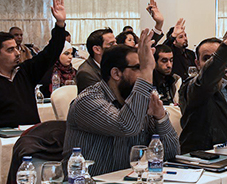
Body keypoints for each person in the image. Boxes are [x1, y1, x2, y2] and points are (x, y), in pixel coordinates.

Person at [64, 31, 179, 176]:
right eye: (138, 68)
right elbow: (126, 126)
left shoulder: (138, 99)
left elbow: (171, 153)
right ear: (116, 74)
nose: (147, 75)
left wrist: (160, 117)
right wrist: (146, 70)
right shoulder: (87, 101)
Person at [0, 0, 67, 128]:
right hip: (3, 138)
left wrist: (60, 25)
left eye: (16, 48)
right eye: (10, 50)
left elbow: (51, 53)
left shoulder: (26, 71)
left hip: (33, 136)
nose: (17, 53)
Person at [178, 17, 227, 153]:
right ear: (197, 63)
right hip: (203, 154)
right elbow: (208, 78)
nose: (211, 62)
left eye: (215, 57)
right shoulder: (192, 87)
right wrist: (226, 46)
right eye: (206, 58)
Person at [76, 28, 115, 92]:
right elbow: (95, 99)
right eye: (111, 44)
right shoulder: (86, 73)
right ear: (97, 49)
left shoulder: (112, 66)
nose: (116, 46)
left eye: (115, 43)